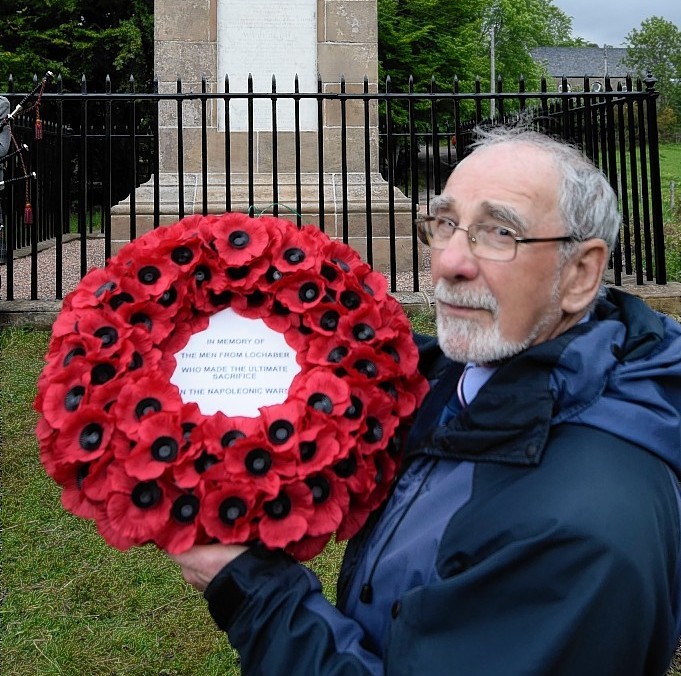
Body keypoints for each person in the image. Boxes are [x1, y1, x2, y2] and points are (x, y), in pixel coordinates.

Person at [170, 127, 681, 675]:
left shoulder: (582, 533)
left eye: (499, 232)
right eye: (445, 224)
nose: (451, 262)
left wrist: (254, 591)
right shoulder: (480, 377)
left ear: (580, 272)